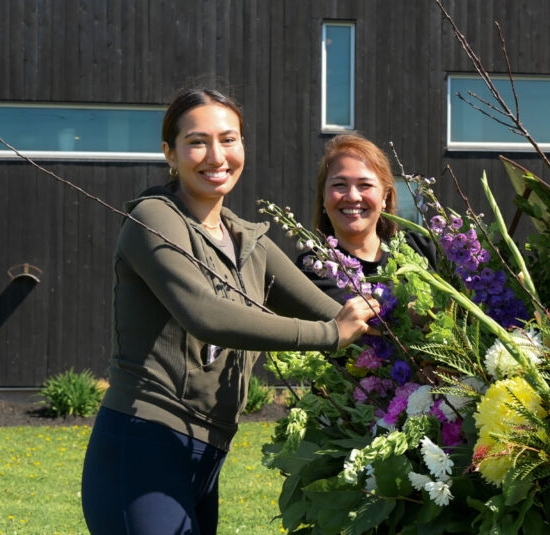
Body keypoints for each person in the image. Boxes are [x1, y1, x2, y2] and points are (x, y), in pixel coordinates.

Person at [81, 88, 379, 535]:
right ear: (171, 153)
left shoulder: (246, 240)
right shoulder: (153, 219)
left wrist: (416, 341)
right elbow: (206, 314)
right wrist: (329, 335)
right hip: (144, 443)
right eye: (197, 141)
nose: (216, 155)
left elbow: (334, 308)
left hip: (208, 452)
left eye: (229, 139)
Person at [297, 134, 437, 302]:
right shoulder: (310, 272)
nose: (352, 196)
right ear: (324, 197)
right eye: (339, 185)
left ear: (385, 197)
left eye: (365, 185)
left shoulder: (422, 250)